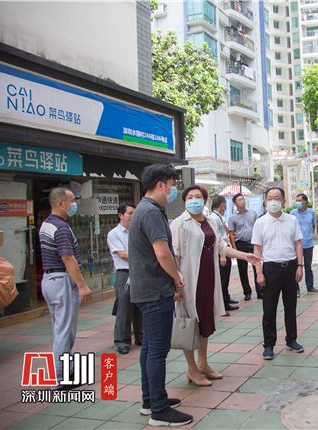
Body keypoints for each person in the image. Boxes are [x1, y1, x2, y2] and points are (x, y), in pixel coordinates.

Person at [171, 186, 260, 385]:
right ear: (185, 201)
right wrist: (176, 285)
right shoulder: (179, 223)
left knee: (206, 321)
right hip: (189, 280)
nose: (194, 200)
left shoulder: (211, 221)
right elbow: (175, 255)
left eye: (198, 197)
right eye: (190, 197)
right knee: (189, 322)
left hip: (209, 278)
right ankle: (192, 369)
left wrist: (245, 256)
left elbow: (221, 246)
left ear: (204, 201)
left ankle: (203, 363)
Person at [128, 164, 192, 427]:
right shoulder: (151, 212)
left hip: (147, 290)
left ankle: (150, 400)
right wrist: (177, 278)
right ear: (160, 185)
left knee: (150, 349)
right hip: (154, 292)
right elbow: (162, 253)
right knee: (157, 351)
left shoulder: (144, 209)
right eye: (171, 184)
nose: (173, 189)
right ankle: (159, 410)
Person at [39, 187, 92, 391]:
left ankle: (67, 369)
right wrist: (82, 286)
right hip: (62, 280)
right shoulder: (61, 228)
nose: (74, 204)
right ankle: (61, 378)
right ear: (61, 203)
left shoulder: (46, 224)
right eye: (72, 200)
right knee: (65, 331)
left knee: (59, 327)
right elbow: (68, 258)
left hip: (49, 280)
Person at [252, 187, 305, 360]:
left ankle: (291, 340)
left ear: (283, 201)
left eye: (277, 198)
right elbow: (257, 249)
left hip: (289, 267)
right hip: (270, 269)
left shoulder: (292, 220)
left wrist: (300, 266)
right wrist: (259, 273)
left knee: (291, 307)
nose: (273, 201)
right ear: (266, 201)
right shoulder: (260, 222)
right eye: (270, 198)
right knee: (269, 308)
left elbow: (298, 244)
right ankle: (269, 345)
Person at [107, 203, 142, 355]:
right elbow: (122, 254)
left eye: (134, 213)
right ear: (121, 215)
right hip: (124, 273)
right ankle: (122, 341)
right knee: (124, 308)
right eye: (130, 213)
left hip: (138, 272)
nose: (133, 216)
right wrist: (142, 257)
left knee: (139, 306)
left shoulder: (137, 232)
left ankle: (141, 336)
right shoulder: (114, 233)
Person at [228, 193, 260, 301]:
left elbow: (257, 228)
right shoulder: (232, 218)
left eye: (243, 199)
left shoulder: (253, 213)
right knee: (242, 269)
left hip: (252, 243)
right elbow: (231, 234)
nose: (242, 201)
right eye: (239, 200)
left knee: (257, 266)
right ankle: (247, 292)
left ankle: (260, 291)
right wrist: (234, 248)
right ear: (235, 203)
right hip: (240, 243)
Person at [210, 195, 239, 312]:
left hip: (224, 248)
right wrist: (222, 255)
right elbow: (217, 238)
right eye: (224, 204)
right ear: (221, 205)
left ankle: (226, 297)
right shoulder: (214, 218)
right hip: (221, 250)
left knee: (225, 277)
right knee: (223, 278)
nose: (226, 207)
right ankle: (223, 303)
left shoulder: (219, 217)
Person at [291, 193, 318, 297]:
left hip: (308, 244)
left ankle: (310, 287)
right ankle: (295, 289)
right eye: (297, 200)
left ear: (305, 202)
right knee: (296, 267)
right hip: (295, 245)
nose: (298, 202)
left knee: (308, 267)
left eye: (300, 200)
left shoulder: (311, 212)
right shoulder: (293, 213)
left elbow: (313, 225)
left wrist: (309, 236)